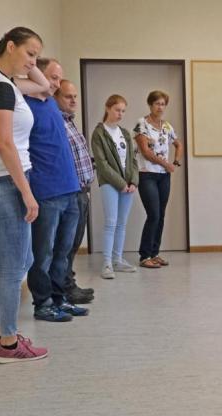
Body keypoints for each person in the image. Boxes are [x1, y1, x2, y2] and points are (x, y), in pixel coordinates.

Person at [0, 26, 48, 363]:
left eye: (37, 56)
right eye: (29, 53)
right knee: (13, 267)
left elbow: (45, 86)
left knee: (23, 261)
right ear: (9, 46)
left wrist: (27, 61)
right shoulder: (1, 87)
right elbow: (5, 144)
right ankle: (7, 342)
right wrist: (27, 192)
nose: (33, 62)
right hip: (5, 181)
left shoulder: (3, 81)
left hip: (5, 180)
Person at [21, 58, 88, 322]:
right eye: (52, 77)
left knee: (63, 251)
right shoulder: (24, 106)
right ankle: (43, 303)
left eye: (59, 79)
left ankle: (60, 299)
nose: (56, 84)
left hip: (70, 189)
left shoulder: (51, 104)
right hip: (46, 193)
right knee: (44, 254)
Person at [55, 79, 95, 304]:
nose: (73, 100)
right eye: (67, 96)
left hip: (82, 190)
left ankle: (69, 283)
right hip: (70, 192)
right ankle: (64, 289)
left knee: (74, 243)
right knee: (66, 245)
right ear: (55, 98)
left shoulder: (69, 121)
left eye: (75, 96)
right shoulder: (57, 123)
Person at [91, 95, 139, 279]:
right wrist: (120, 184)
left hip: (128, 185)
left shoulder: (125, 133)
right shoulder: (99, 133)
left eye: (123, 111)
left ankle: (118, 259)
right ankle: (107, 263)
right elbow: (102, 164)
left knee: (122, 223)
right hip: (110, 183)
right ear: (108, 108)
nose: (120, 114)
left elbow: (133, 160)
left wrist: (133, 182)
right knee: (111, 222)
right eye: (117, 110)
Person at [133, 90, 183, 269]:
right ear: (150, 105)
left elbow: (178, 144)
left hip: (164, 176)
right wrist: (166, 163)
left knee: (161, 215)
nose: (160, 107)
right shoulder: (142, 124)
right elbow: (145, 152)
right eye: (157, 104)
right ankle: (144, 255)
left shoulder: (167, 126)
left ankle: (154, 253)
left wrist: (175, 162)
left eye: (163, 104)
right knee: (153, 214)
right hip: (147, 174)